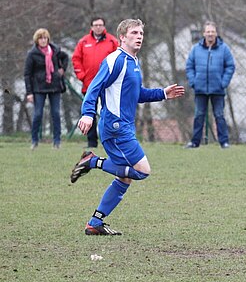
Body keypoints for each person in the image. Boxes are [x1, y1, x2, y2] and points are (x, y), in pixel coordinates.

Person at [69, 18, 185, 235]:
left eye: (141, 33)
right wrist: (87, 114)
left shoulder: (133, 61)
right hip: (115, 127)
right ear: (122, 37)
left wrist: (162, 93)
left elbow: (137, 93)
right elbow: (94, 87)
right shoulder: (115, 60)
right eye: (134, 33)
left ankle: (94, 223)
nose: (139, 36)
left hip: (124, 126)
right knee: (142, 171)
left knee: (125, 176)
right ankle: (92, 161)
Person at [184, 21, 236, 149]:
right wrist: (193, 81)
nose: (210, 34)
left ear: (216, 33)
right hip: (200, 89)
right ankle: (195, 142)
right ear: (204, 33)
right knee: (198, 115)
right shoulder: (196, 49)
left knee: (219, 115)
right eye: (208, 32)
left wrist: (223, 82)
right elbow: (189, 66)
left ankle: (224, 142)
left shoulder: (224, 49)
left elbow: (230, 66)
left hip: (217, 89)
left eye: (212, 32)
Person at [72, 16, 120, 149]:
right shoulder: (83, 42)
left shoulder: (112, 41)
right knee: (89, 112)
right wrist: (81, 75)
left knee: (109, 112)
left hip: (107, 85)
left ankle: (110, 140)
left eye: (100, 25)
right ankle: (91, 142)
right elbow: (76, 59)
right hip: (89, 84)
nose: (98, 27)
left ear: (104, 26)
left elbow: (119, 59)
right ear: (91, 27)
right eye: (95, 25)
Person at [24, 28, 69, 149]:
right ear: (37, 40)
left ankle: (57, 141)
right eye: (41, 38)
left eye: (45, 38)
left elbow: (66, 57)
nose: (43, 40)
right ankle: (34, 141)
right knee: (38, 114)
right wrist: (29, 92)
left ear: (48, 39)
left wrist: (62, 70)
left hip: (55, 86)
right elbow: (27, 74)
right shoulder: (32, 54)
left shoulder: (55, 50)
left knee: (55, 113)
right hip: (39, 88)